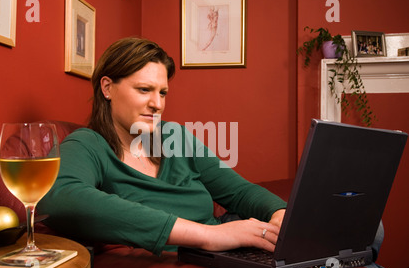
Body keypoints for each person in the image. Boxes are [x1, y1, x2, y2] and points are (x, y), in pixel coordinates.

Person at [38, 37, 286, 256]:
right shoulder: (87, 144)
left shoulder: (174, 136)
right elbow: (58, 198)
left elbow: (240, 192)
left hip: (230, 253)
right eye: (144, 90)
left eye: (163, 93)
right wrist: (210, 236)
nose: (157, 104)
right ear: (107, 88)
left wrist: (279, 213)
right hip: (187, 264)